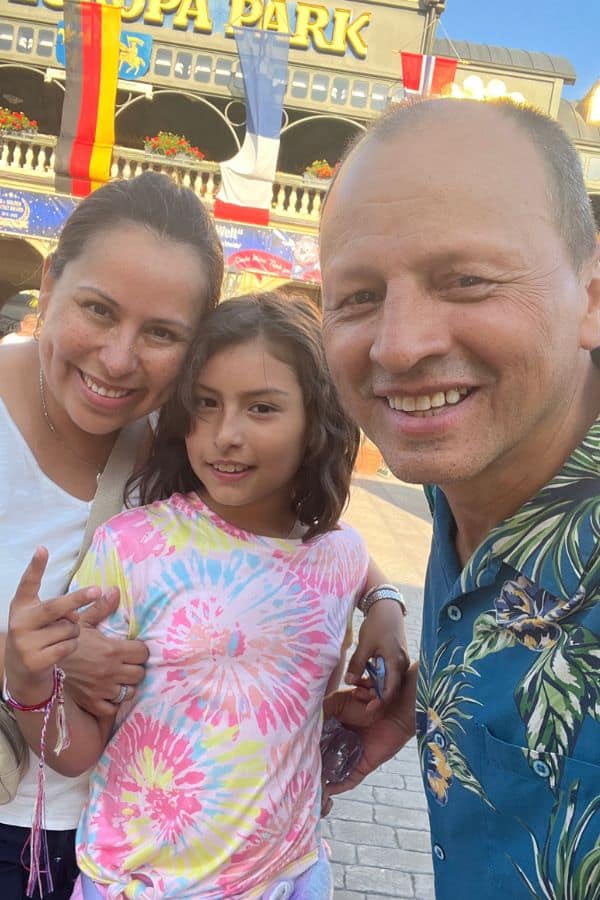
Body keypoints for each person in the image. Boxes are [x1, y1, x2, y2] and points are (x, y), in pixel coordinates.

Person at [5, 291, 408, 899]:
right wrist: (29, 681)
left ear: (316, 419)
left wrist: (385, 606)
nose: (226, 435)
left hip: (290, 877)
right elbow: (77, 749)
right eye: (206, 405)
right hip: (138, 884)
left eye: (263, 408)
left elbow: (301, 726)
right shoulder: (135, 548)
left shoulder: (341, 558)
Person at [319, 98, 600, 898]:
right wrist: (446, 704)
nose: (400, 345)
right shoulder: (466, 482)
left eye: (468, 280)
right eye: (359, 296)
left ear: (592, 295)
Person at [0, 170, 224, 899]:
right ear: (50, 280)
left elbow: (286, 529)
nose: (120, 359)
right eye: (98, 310)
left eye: (162, 333)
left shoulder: (187, 445)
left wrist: (382, 600)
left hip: (117, 844)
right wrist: (38, 658)